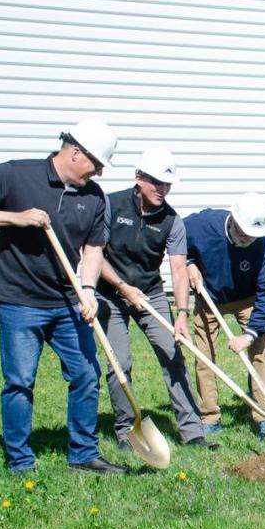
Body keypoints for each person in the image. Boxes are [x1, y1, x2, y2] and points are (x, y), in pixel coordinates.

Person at [0, 119, 128, 474]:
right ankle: (20, 462)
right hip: (18, 300)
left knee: (85, 374)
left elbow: (93, 249)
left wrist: (90, 290)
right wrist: (14, 218)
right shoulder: (14, 174)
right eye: (96, 164)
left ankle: (83, 454)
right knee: (20, 380)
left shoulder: (94, 198)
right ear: (76, 153)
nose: (99, 173)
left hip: (67, 301)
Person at [96, 148, 216, 451]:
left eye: (168, 185)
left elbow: (178, 269)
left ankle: (193, 431)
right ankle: (126, 431)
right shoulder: (110, 205)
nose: (163, 190)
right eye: (157, 183)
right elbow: (94, 255)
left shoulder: (172, 220)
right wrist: (123, 288)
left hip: (149, 293)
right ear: (139, 178)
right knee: (118, 362)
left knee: (173, 356)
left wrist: (182, 314)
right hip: (110, 292)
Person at [185, 193, 265, 441]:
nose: (246, 238)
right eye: (242, 231)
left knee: (260, 354)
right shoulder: (202, 224)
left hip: (247, 299)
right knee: (203, 356)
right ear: (233, 219)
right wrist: (189, 261)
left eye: (251, 234)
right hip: (209, 297)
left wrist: (249, 336)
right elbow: (175, 236)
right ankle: (209, 417)